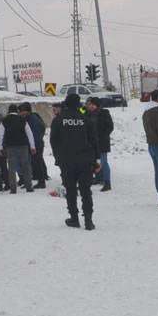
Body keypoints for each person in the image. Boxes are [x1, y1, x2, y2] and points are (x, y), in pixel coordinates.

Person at [49, 93, 99, 230]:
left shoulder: (58, 120)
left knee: (70, 191)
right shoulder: (85, 119)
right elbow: (94, 141)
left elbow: (53, 141)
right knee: (86, 191)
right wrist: (95, 160)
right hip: (85, 160)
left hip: (67, 161)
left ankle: (74, 218)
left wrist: (58, 158)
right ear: (78, 104)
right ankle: (88, 220)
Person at [0, 104, 36, 193]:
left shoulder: (4, 121)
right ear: (17, 111)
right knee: (26, 166)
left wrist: (0, 147)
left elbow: (0, 135)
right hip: (23, 146)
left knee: (12, 168)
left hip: (10, 147)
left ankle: (13, 189)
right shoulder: (23, 120)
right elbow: (29, 134)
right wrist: (32, 146)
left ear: (9, 111)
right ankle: (29, 186)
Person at [85, 96, 114, 191]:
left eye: (91, 104)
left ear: (96, 105)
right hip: (92, 143)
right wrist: (85, 106)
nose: (90, 106)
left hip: (102, 142)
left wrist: (102, 136)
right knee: (94, 162)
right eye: (89, 104)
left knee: (103, 162)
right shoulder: (88, 112)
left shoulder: (104, 112)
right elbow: (79, 111)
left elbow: (110, 126)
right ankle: (98, 178)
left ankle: (107, 182)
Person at [20, 102, 49, 189]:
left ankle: (41, 181)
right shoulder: (32, 117)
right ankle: (40, 178)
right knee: (37, 162)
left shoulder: (33, 119)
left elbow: (36, 133)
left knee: (37, 162)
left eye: (21, 111)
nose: (20, 113)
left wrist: (33, 145)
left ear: (26, 111)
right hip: (36, 144)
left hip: (36, 144)